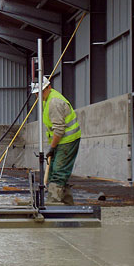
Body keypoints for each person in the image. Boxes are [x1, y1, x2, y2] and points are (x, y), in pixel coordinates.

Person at [41, 76, 81, 205]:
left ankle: (53, 202)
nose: (38, 96)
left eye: (41, 92)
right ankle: (67, 202)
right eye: (36, 93)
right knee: (53, 169)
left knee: (59, 171)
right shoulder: (46, 99)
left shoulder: (54, 102)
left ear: (49, 87)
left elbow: (59, 130)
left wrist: (52, 148)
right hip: (60, 140)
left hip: (67, 140)